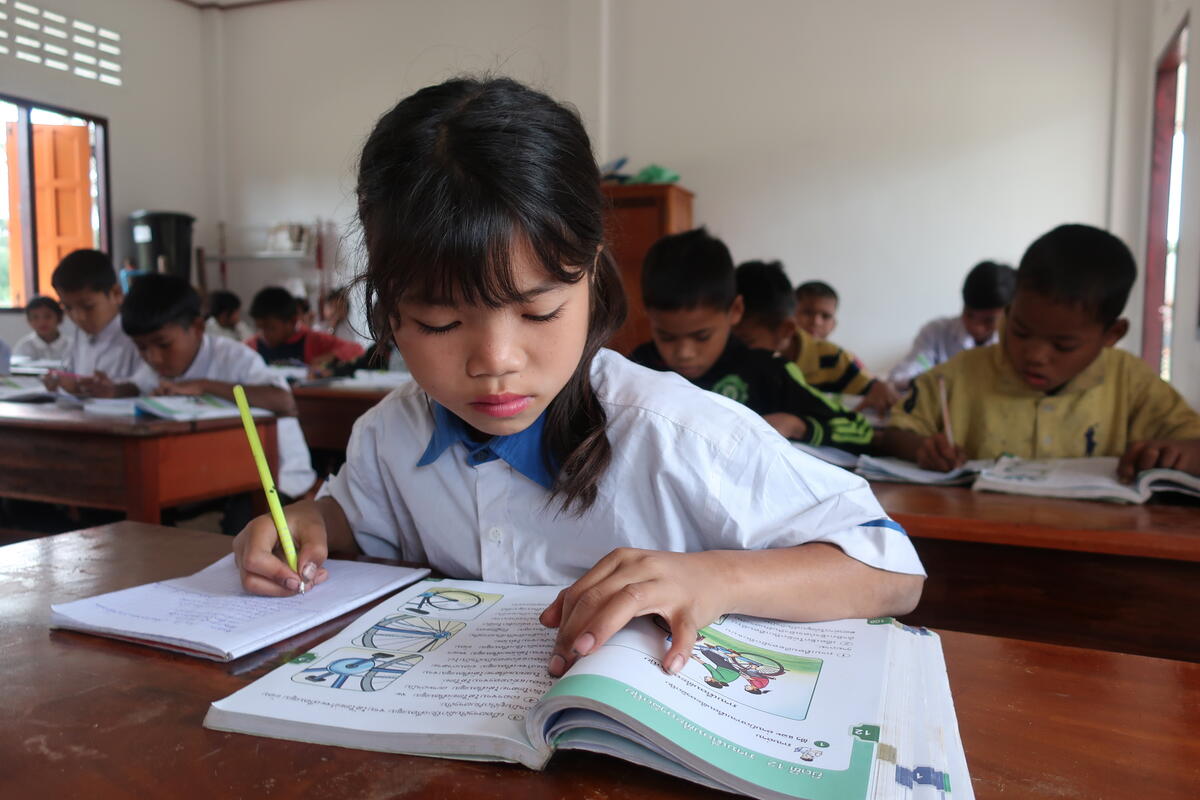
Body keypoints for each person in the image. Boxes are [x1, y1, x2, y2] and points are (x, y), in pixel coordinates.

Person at [232, 77, 923, 680]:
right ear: (385, 307)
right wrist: (308, 521)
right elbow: (357, 520)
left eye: (538, 311)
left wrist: (714, 576)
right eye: (440, 323)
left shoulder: (676, 434)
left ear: (592, 276)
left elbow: (891, 571)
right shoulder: (390, 435)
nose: (496, 359)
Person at [879, 224, 1200, 479]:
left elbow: (1192, 443)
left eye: (1063, 345)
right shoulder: (958, 374)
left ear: (1111, 334)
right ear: (1009, 308)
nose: (1034, 355)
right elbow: (897, 431)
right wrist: (922, 449)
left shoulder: (1133, 383)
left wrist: (1176, 453)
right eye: (1020, 331)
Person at [630, 230, 875, 450]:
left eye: (702, 336)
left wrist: (799, 426)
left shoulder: (768, 372)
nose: (684, 353)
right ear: (648, 315)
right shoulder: (637, 369)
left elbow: (861, 430)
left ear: (735, 310)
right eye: (666, 336)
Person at [115, 273, 318, 502]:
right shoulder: (154, 368)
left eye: (164, 344)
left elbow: (284, 402)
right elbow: (136, 387)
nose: (153, 358)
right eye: (141, 348)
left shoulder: (235, 357)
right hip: (208, 475)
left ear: (198, 327)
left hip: (276, 478)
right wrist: (110, 390)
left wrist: (203, 386)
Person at [733, 260, 899, 414]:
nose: (816, 322)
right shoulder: (738, 354)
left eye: (825, 316)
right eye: (807, 312)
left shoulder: (835, 358)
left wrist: (882, 387)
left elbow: (875, 390)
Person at [888, 261, 1016, 390]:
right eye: (969, 314)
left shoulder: (1012, 344)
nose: (976, 327)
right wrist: (913, 381)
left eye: (988, 320)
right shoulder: (936, 332)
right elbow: (907, 371)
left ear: (1008, 314)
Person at [42, 249, 141, 396]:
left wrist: (114, 391)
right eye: (68, 308)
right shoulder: (80, 334)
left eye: (88, 307)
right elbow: (70, 374)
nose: (78, 317)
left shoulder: (139, 335)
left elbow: (147, 386)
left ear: (116, 294)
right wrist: (59, 380)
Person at [245, 287, 365, 367]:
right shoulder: (252, 346)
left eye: (271, 328)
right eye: (259, 328)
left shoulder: (312, 339)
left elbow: (357, 349)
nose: (264, 334)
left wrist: (332, 356)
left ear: (292, 321)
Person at [13, 296, 71, 363]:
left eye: (48, 316)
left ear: (59, 318)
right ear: (28, 320)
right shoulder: (24, 346)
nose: (42, 322)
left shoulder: (71, 345)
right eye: (35, 317)